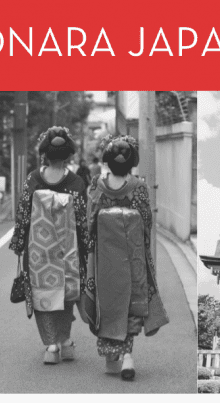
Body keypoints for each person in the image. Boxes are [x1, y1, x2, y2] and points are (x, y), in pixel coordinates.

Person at [82, 135, 169, 381]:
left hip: (104, 259)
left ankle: (113, 357)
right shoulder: (138, 188)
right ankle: (127, 355)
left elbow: (89, 222)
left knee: (107, 303)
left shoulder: (97, 185)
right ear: (133, 162)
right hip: (132, 256)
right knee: (131, 300)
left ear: (108, 161)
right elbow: (146, 223)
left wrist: (88, 251)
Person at [9, 126, 89, 365]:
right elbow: (83, 221)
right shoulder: (76, 183)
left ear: (44, 154)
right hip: (69, 251)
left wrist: (18, 242)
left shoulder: (33, 179)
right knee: (66, 294)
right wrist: (87, 248)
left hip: (38, 251)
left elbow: (23, 215)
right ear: (68, 156)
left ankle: (51, 345)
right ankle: (66, 342)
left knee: (42, 294)